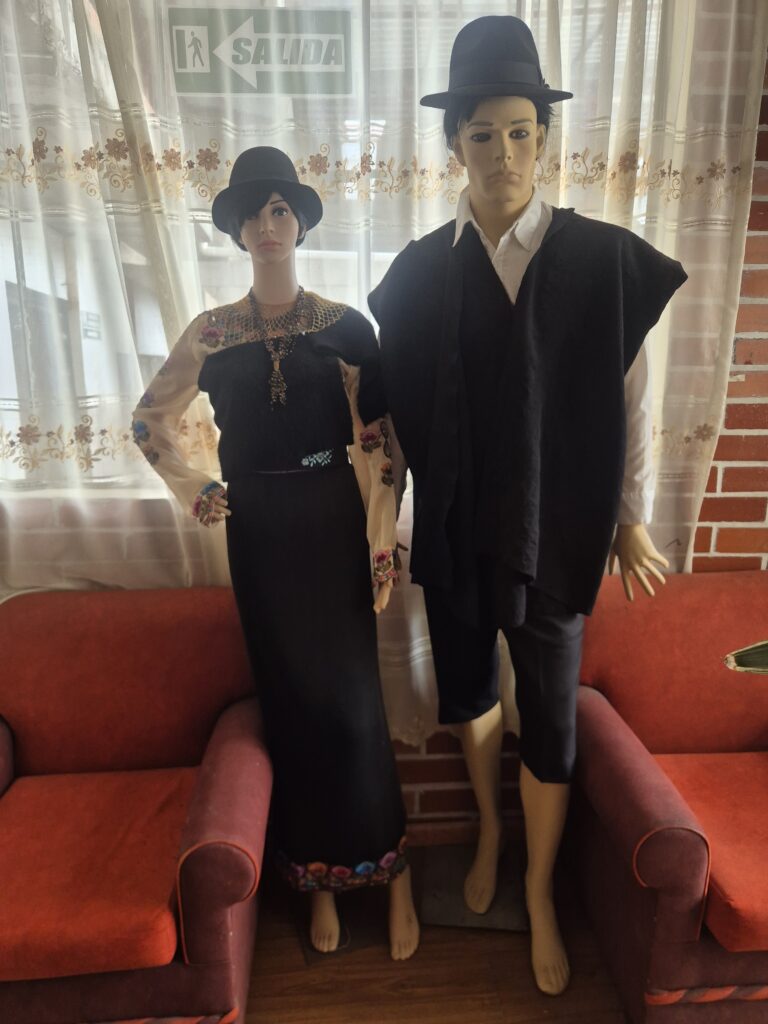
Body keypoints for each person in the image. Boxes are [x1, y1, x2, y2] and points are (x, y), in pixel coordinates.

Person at [368, 16, 687, 994]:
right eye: (482, 134)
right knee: (468, 695)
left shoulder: (604, 263)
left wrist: (630, 517)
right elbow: (388, 417)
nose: (502, 152)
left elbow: (632, 401)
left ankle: (540, 889)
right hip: (457, 527)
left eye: (519, 131)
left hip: (561, 528)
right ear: (453, 144)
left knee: (548, 716)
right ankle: (490, 835)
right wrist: (379, 523)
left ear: (544, 138)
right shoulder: (419, 276)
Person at [132, 146, 419, 961]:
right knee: (291, 707)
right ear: (236, 229)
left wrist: (381, 541)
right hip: (258, 529)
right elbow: (148, 421)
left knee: (355, 708)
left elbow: (381, 442)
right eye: (254, 212)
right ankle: (317, 880)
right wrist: (197, 488)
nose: (268, 224)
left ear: (300, 223)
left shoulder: (345, 328)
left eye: (281, 209)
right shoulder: (211, 334)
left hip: (333, 520)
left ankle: (393, 874)